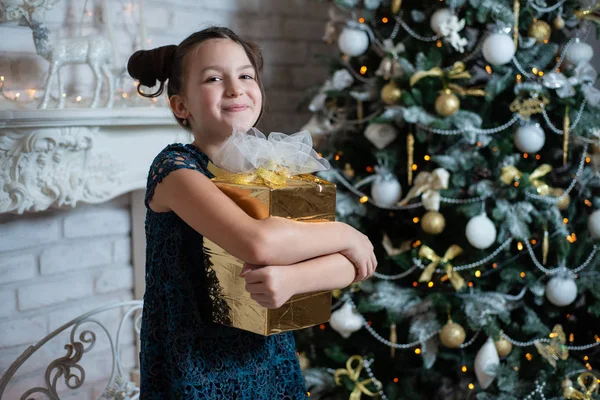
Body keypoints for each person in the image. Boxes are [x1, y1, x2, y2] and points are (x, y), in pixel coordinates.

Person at [127, 26, 377, 399]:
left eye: (246, 75)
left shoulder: (270, 173)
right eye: (214, 78)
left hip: (270, 362)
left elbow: (355, 266)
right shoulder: (175, 169)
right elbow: (259, 243)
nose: (235, 87)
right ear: (181, 105)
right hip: (195, 370)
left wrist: (295, 280)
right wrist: (348, 235)